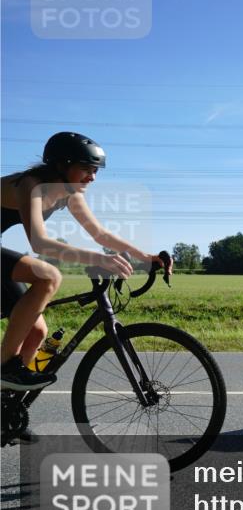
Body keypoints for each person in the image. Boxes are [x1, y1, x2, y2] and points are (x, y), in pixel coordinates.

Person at [1, 132, 169, 393]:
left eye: (95, 170)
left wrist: (145, 257)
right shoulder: (31, 185)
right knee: (49, 276)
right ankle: (5, 368)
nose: (92, 177)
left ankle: (6, 411)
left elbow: (100, 234)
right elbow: (39, 243)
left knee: (36, 333)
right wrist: (99, 258)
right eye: (86, 169)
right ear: (61, 165)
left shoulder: (69, 193)